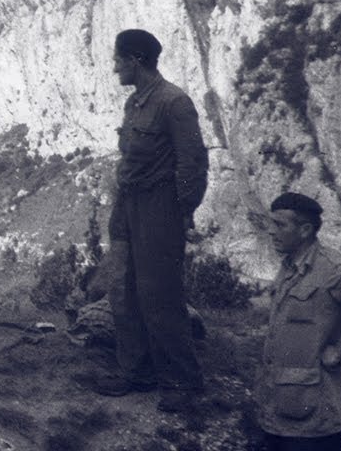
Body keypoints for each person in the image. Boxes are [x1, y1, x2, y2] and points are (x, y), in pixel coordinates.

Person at [94, 28, 209, 413]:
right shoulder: (135, 103)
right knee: (122, 289)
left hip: (160, 207)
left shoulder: (174, 102)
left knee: (160, 293)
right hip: (127, 204)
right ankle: (137, 370)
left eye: (118, 60)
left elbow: (193, 163)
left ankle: (182, 380)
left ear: (136, 60)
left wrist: (182, 211)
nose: (115, 68)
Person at [255, 192, 341, 451]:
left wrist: (340, 350)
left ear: (305, 230)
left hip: (314, 418)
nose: (271, 231)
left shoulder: (331, 268)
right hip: (278, 406)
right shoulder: (289, 266)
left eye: (280, 225)